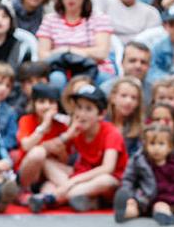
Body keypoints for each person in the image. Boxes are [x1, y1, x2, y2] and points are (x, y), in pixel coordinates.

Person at [28, 84, 127, 212]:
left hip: (106, 182)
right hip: (82, 176)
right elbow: (45, 148)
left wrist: (73, 181)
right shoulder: (76, 129)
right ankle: (81, 199)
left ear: (101, 114)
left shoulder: (111, 133)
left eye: (88, 109)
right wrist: (67, 135)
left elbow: (107, 168)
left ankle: (51, 198)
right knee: (46, 162)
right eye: (79, 107)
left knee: (105, 180)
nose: (81, 113)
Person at [114, 121, 174, 225]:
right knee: (158, 206)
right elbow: (128, 179)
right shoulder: (139, 159)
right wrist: (127, 194)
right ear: (145, 146)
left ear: (170, 146)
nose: (156, 148)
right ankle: (125, 213)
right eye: (152, 143)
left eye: (161, 144)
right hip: (152, 197)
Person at [36, 0, 115, 84]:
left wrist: (67, 51)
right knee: (56, 79)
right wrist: (83, 52)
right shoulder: (50, 20)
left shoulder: (99, 18)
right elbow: (43, 55)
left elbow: (102, 53)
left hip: (92, 68)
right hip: (59, 69)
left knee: (105, 79)